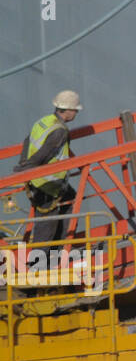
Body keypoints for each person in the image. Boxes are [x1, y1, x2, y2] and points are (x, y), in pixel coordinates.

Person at [13, 90, 82, 246]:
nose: (76, 113)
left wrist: (23, 164)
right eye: (75, 110)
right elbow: (42, 156)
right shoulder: (60, 131)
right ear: (68, 110)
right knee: (45, 228)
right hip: (47, 186)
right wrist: (24, 171)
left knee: (71, 199)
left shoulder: (43, 121)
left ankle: (62, 248)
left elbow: (27, 141)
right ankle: (39, 265)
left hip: (41, 183)